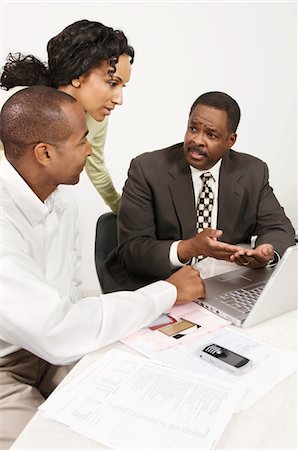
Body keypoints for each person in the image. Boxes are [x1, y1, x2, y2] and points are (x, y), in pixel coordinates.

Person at [0, 86, 205, 448]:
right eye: (82, 142)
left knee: (134, 413)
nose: (91, 150)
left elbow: (73, 294)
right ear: (44, 153)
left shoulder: (61, 196)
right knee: (55, 442)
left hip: (51, 352)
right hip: (7, 366)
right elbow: (57, 329)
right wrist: (167, 292)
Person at [100, 91, 296, 293]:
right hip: (160, 287)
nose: (197, 140)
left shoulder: (252, 172)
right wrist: (190, 248)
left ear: (231, 140)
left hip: (223, 285)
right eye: (193, 128)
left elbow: (279, 228)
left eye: (211, 134)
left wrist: (267, 254)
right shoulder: (147, 169)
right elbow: (132, 250)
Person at [0, 18, 132, 214]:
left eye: (123, 87)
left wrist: (122, 209)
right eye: (112, 83)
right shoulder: (18, 104)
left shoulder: (96, 119)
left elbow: (96, 166)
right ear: (78, 76)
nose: (119, 99)